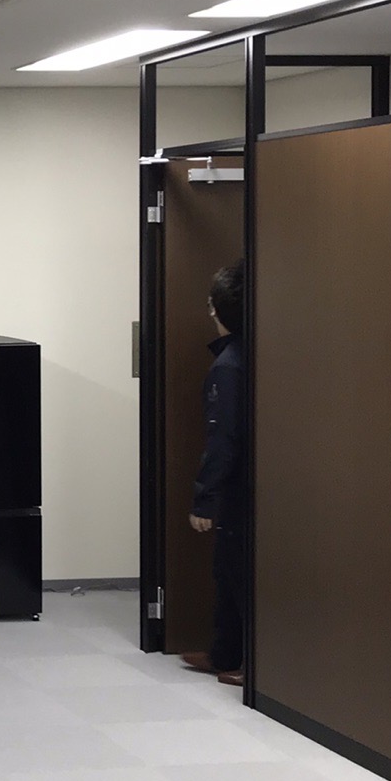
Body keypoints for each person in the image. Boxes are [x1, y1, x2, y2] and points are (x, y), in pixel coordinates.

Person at [182, 260, 246, 686]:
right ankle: (225, 654)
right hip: (251, 486)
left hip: (239, 489)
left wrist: (204, 500)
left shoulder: (229, 366)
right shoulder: (251, 355)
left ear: (216, 309)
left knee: (236, 573)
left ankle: (248, 662)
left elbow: (223, 438)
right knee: (228, 570)